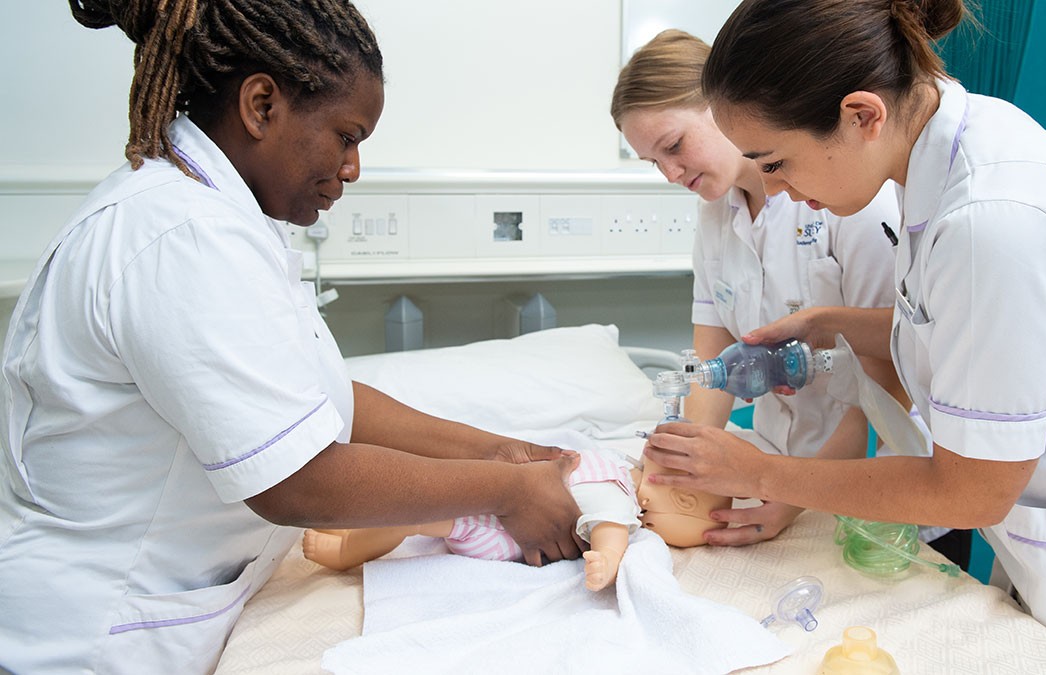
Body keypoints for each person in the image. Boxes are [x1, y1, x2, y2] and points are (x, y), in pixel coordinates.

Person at [0, 2, 583, 672]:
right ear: (260, 105)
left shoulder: (225, 217)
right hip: (87, 641)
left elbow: (320, 401)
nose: (354, 165)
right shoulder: (179, 234)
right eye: (346, 134)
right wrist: (502, 492)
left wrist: (501, 452)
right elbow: (296, 481)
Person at [641, 1, 1046, 673]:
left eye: (778, 161)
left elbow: (970, 490)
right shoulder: (938, 165)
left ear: (861, 115)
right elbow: (967, 333)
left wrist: (756, 471)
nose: (775, 187)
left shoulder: (992, 217)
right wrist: (832, 323)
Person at [611, 30, 967, 553]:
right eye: (652, 163)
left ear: (721, 106)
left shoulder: (847, 196)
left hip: (881, 475)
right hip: (778, 464)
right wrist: (686, 462)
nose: (670, 173)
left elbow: (888, 373)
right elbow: (713, 364)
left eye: (674, 146)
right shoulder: (715, 216)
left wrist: (791, 493)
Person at [304, 442, 641, 592]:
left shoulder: (619, 488)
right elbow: (611, 528)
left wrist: (607, 562)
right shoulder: (619, 477)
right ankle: (345, 520)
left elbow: (610, 534)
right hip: (502, 500)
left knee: (411, 516)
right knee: (425, 490)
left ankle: (344, 551)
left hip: (498, 534)